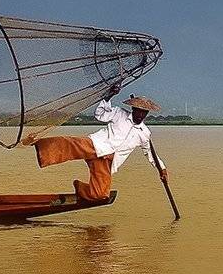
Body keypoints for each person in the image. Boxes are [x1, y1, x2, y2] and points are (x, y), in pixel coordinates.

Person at [26, 83, 168, 202]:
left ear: (147, 114)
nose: (140, 115)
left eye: (144, 113)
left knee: (100, 195)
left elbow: (150, 154)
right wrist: (109, 96)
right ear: (133, 109)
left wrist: (162, 169)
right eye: (138, 111)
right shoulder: (119, 113)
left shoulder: (144, 133)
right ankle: (37, 143)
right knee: (68, 144)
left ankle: (80, 187)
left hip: (108, 161)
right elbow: (100, 114)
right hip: (96, 145)